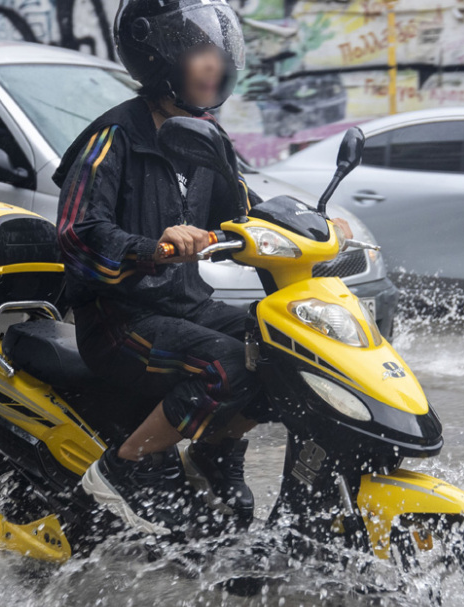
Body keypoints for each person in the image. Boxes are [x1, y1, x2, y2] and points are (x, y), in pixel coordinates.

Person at [51, 0, 351, 535]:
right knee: (227, 362)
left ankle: (212, 454)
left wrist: (314, 231)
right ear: (157, 56)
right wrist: (149, 246)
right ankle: (125, 469)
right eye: (198, 53)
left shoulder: (203, 136)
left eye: (218, 52)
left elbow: (245, 211)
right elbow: (77, 235)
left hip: (183, 306)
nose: (214, 65)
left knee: (284, 350)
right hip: (120, 321)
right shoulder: (113, 137)